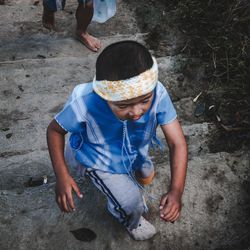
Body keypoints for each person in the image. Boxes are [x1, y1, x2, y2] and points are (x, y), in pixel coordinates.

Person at [46, 41, 188, 240]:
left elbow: (177, 142)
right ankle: (130, 219)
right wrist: (61, 176)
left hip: (136, 149)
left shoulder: (157, 92)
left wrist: (176, 190)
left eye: (145, 101)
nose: (137, 112)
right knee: (131, 202)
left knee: (145, 171)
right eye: (124, 105)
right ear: (104, 96)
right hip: (99, 160)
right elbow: (54, 130)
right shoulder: (85, 103)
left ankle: (138, 169)